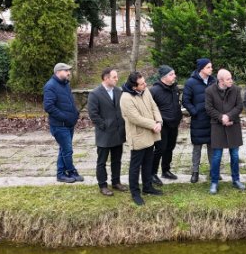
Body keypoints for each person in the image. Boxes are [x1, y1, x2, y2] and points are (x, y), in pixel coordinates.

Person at [120, 72, 163, 205]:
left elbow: (154, 106)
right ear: (134, 87)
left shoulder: (145, 91)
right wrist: (153, 124)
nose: (145, 85)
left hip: (150, 133)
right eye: (142, 83)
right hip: (138, 136)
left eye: (145, 82)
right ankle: (135, 192)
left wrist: (159, 121)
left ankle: (147, 187)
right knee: (135, 166)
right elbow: (135, 118)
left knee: (148, 162)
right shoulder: (126, 98)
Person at [205, 69, 246, 194]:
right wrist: (221, 118)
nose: (231, 81)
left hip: (233, 125)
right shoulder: (209, 91)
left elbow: (239, 106)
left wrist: (228, 116)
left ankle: (236, 180)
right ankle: (214, 182)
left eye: (231, 78)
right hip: (217, 127)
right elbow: (208, 108)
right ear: (221, 81)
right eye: (228, 79)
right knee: (217, 156)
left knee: (234, 155)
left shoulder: (236, 89)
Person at [87, 67, 127, 196]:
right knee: (102, 161)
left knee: (117, 159)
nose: (117, 79)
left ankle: (116, 182)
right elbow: (93, 114)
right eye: (114, 77)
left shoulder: (118, 91)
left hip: (118, 132)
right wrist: (104, 125)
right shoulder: (95, 93)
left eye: (116, 77)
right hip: (104, 134)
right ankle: (103, 185)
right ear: (106, 78)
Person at [43, 62, 83, 183]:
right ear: (58, 72)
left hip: (68, 124)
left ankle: (60, 174)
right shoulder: (50, 86)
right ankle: (71, 171)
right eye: (66, 70)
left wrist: (75, 113)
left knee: (63, 149)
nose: (68, 73)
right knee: (67, 150)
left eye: (68, 70)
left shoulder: (65, 84)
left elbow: (69, 102)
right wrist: (65, 117)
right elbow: (48, 107)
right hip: (59, 126)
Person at [182, 58, 216, 183]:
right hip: (198, 120)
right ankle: (195, 172)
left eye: (211, 67)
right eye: (208, 67)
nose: (211, 69)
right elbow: (185, 100)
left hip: (212, 120)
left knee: (212, 147)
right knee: (197, 148)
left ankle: (214, 171)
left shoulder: (214, 81)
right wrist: (194, 112)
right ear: (201, 68)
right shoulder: (191, 82)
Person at [150, 65, 183, 185]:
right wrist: (155, 123)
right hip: (161, 125)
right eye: (171, 74)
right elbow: (149, 109)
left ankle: (166, 170)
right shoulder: (154, 91)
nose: (174, 76)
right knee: (160, 149)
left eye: (174, 74)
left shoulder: (174, 88)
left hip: (174, 124)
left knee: (170, 148)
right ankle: (152, 173)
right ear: (164, 76)